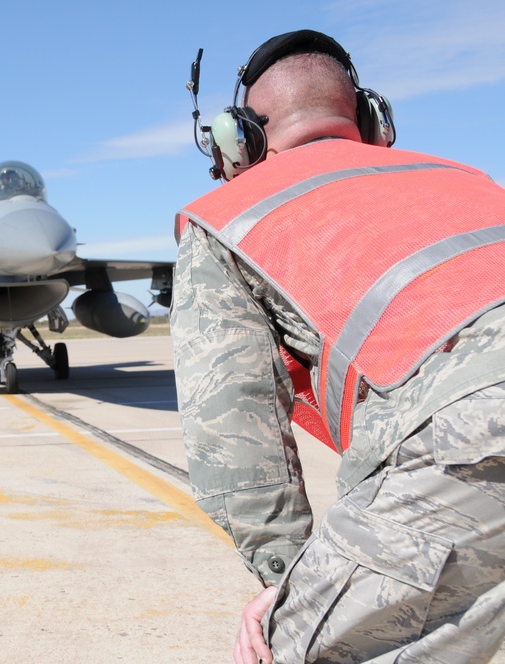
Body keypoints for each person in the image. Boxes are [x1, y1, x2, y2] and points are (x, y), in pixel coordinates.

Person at [171, 29, 505, 664]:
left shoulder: (233, 215)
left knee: (294, 648)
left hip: (474, 433)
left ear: (241, 140)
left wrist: (285, 577)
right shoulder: (465, 178)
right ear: (372, 119)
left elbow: (232, 426)